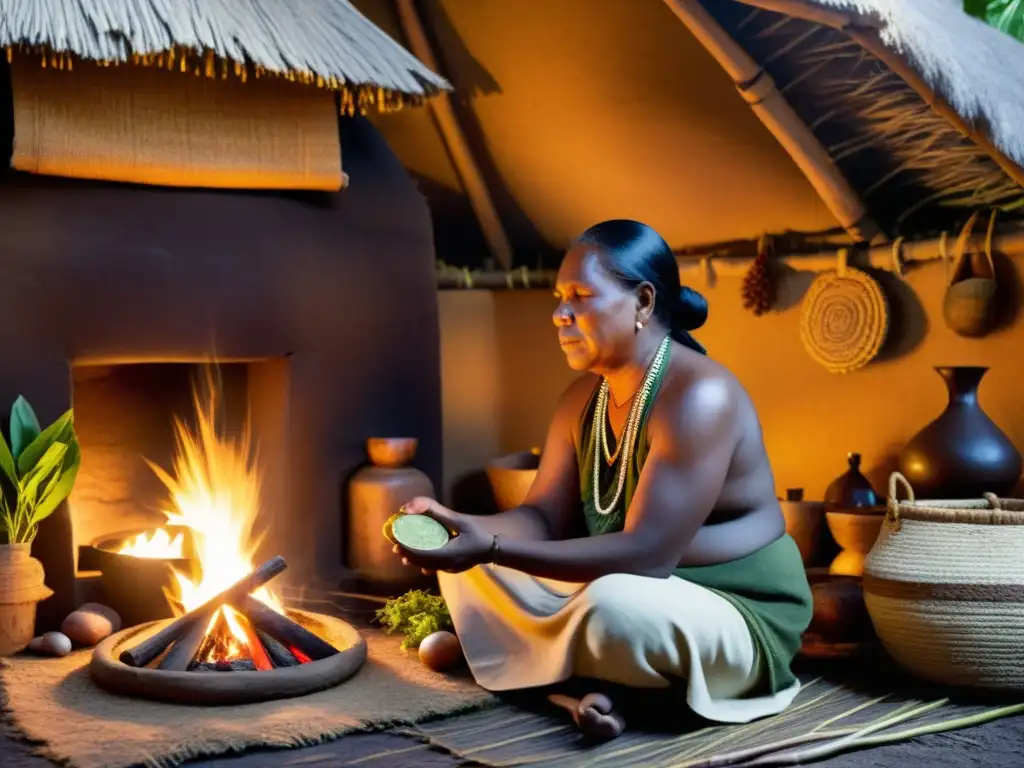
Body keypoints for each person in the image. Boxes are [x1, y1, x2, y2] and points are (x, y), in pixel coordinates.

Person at [393, 219, 812, 741]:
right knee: (472, 573)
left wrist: (493, 548)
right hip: (627, 581)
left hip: (731, 609)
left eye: (581, 296)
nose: (559, 314)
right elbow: (543, 517)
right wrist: (463, 526)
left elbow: (647, 555)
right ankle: (606, 688)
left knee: (612, 608)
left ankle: (562, 672)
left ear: (642, 302)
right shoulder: (581, 399)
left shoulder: (700, 397)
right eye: (559, 297)